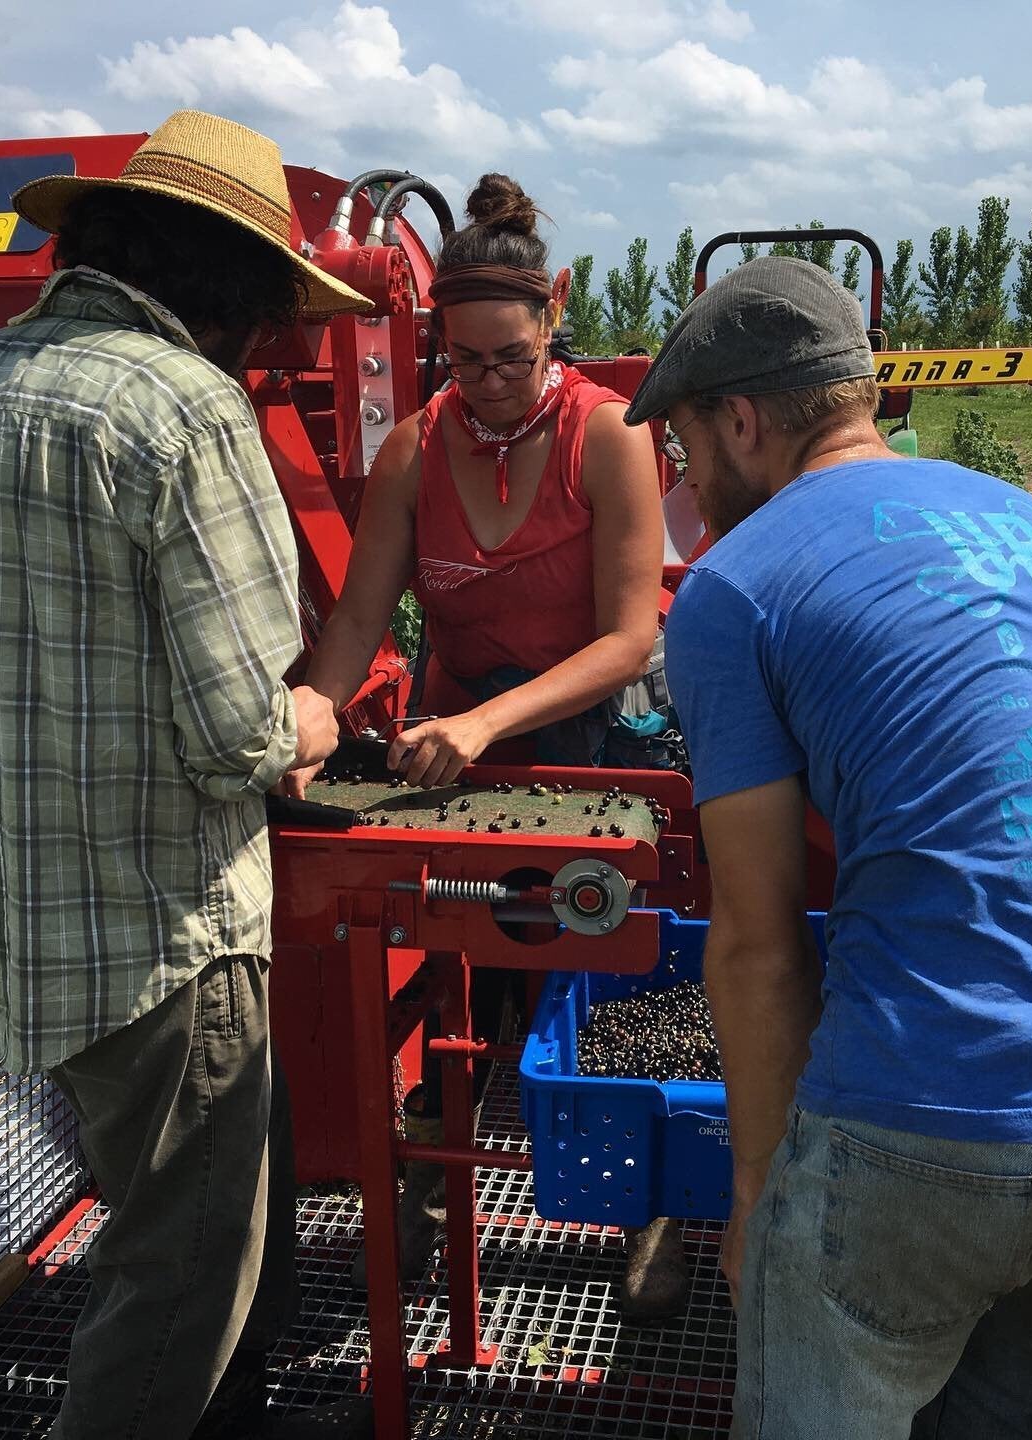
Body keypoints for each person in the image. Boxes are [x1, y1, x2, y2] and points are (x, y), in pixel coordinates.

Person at [626, 256, 1032, 1438]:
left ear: (740, 420)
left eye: (688, 446)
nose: (690, 482)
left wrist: (756, 1198)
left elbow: (755, 948)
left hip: (944, 1130)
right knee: (999, 1409)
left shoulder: (735, 587)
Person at [0, 111, 371, 1439]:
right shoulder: (184, 406)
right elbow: (238, 732)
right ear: (223, 289)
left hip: (16, 932)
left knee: (158, 1215)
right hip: (157, 943)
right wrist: (321, 718)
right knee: (177, 1281)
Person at [295, 173, 690, 1319]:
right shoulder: (417, 451)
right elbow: (359, 623)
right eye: (463, 363)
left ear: (555, 312)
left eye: (510, 358)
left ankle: (655, 1193)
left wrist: (478, 723)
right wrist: (313, 722)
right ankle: (427, 1173)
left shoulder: (609, 437)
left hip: (585, 742)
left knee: (612, 954)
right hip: (461, 756)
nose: (490, 384)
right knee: (470, 962)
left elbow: (629, 637)